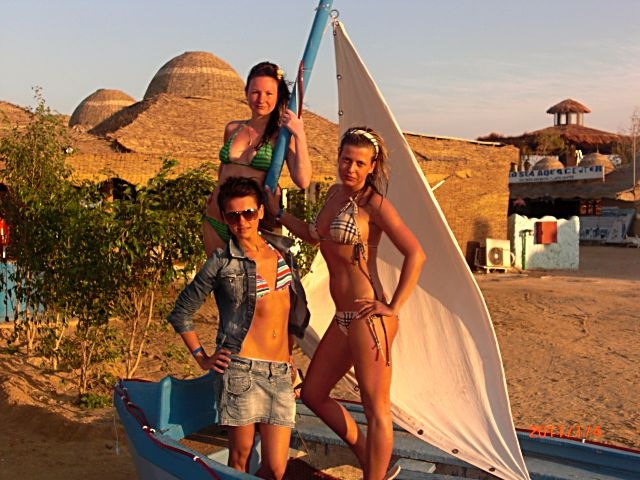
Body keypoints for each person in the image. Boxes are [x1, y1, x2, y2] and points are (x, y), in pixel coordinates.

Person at [266, 127, 426, 480]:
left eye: (359, 163)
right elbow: (314, 236)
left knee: (376, 409)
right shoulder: (335, 194)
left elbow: (416, 254)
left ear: (372, 166)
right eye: (345, 160)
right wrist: (279, 215)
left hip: (369, 317)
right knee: (313, 393)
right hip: (343, 317)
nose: (350, 168)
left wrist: (393, 307)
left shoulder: (374, 205)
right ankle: (367, 456)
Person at [168, 176, 310, 480]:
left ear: (260, 211)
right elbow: (182, 312)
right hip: (241, 369)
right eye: (233, 216)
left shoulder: (282, 252)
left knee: (276, 467)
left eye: (248, 213)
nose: (242, 222)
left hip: (280, 371)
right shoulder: (221, 262)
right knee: (240, 459)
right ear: (224, 218)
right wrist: (203, 357)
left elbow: (288, 312)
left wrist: (289, 359)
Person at [203, 61, 311, 256]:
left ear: (278, 96)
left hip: (250, 223)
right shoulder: (232, 129)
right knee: (217, 274)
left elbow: (303, 180)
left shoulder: (281, 137)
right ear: (246, 93)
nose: (261, 99)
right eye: (255, 92)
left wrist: (299, 134)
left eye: (269, 93)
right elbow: (224, 167)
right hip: (216, 217)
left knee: (255, 275)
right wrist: (215, 191)